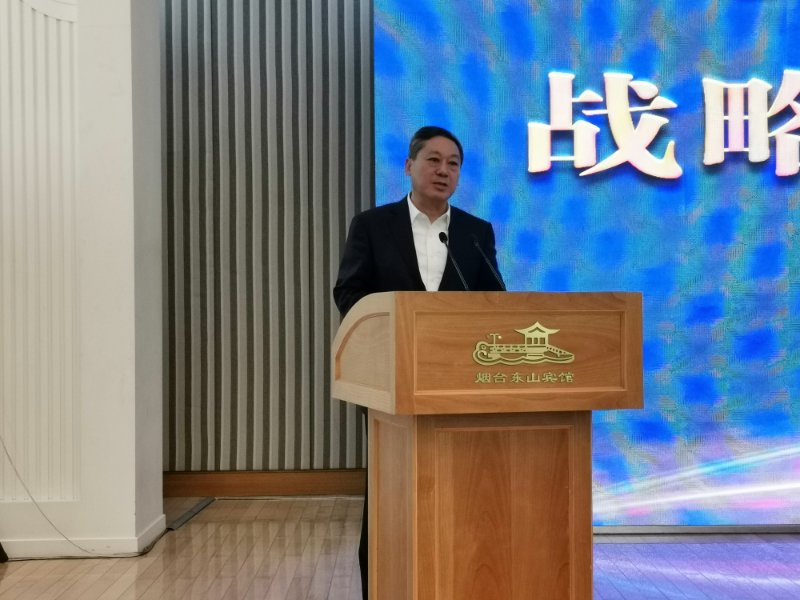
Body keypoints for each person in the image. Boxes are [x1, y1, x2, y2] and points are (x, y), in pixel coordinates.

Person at [332, 125, 505, 599]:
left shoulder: (476, 233)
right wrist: (395, 330)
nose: (443, 170)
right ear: (409, 166)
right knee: (390, 491)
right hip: (391, 379)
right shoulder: (372, 225)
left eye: (453, 164)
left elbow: (494, 301)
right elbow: (349, 292)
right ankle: (382, 587)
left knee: (460, 490)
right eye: (433, 160)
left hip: (459, 383)